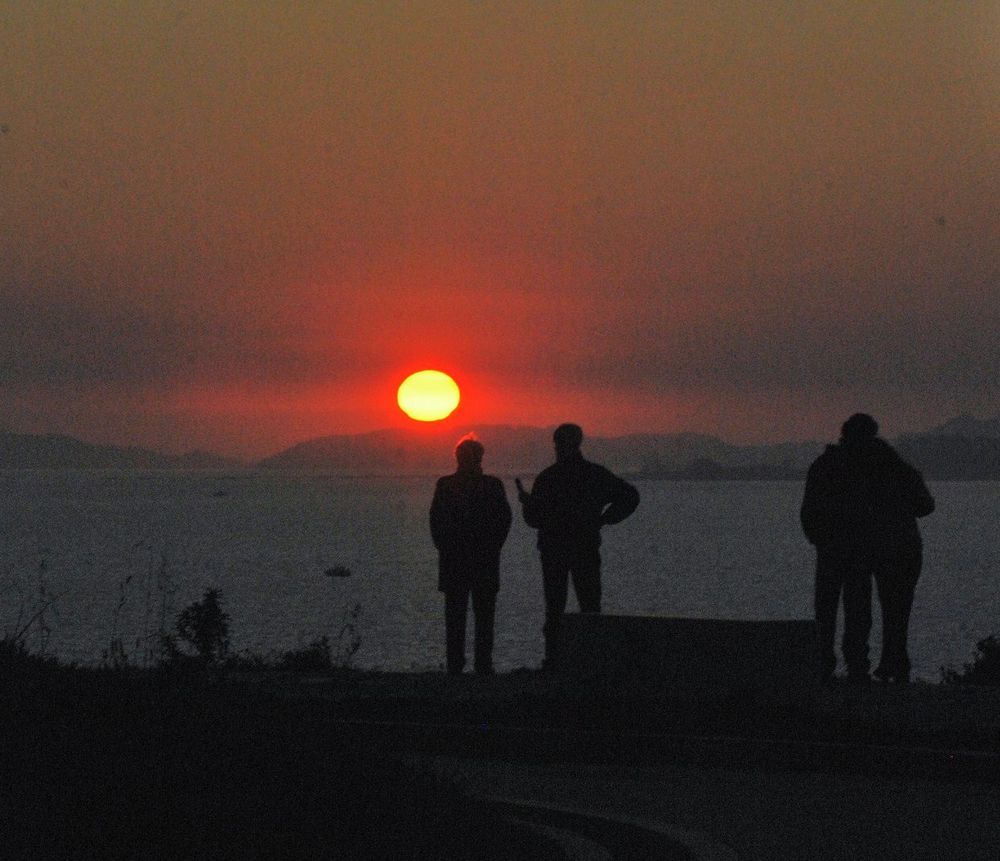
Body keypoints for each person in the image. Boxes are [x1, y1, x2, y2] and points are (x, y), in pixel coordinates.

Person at [800, 413, 934, 685]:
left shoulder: (842, 465)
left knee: (844, 609)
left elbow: (810, 511)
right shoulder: (888, 466)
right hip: (874, 549)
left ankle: (848, 663)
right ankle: (866, 664)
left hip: (858, 550)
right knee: (879, 610)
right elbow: (923, 505)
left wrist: (821, 539)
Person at [516, 423, 639, 668]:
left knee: (558, 608)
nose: (557, 448)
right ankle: (589, 661)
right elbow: (630, 495)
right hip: (582, 548)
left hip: (557, 551)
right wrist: (605, 519)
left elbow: (534, 519)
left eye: (558, 444)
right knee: (588, 607)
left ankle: (555, 661)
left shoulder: (549, 478)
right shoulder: (594, 475)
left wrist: (527, 503)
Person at [430, 434, 512, 676]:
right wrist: (492, 547)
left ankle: (457, 666)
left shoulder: (445, 485)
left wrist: (446, 548)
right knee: (483, 617)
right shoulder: (492, 485)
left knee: (456, 617)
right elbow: (504, 521)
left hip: (456, 562)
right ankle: (482, 665)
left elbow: (436, 522)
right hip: (483, 561)